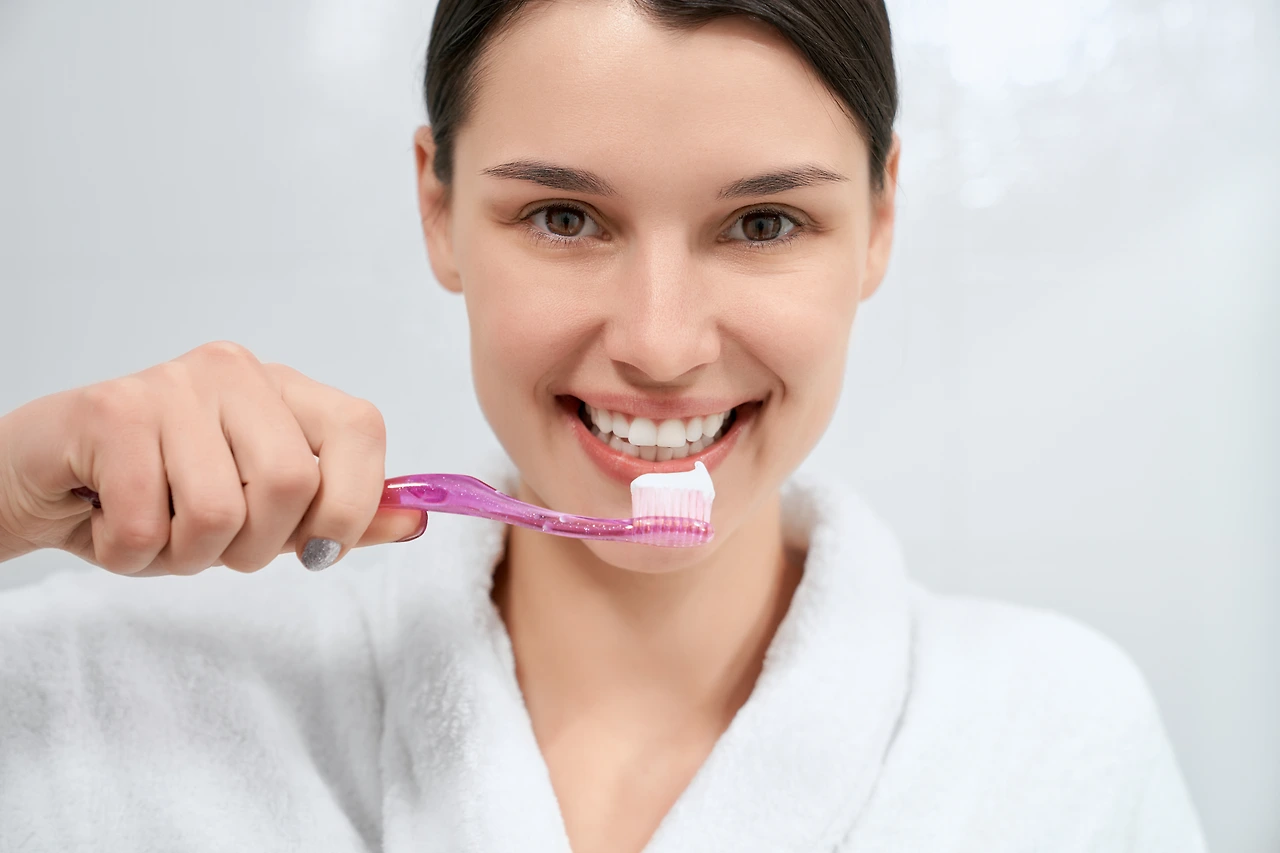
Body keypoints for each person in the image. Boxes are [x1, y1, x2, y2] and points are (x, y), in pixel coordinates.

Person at [0, 1, 1207, 851]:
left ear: (881, 218)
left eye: (764, 225)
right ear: (438, 206)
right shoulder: (125, 689)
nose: (662, 342)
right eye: (566, 217)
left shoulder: (1049, 740)